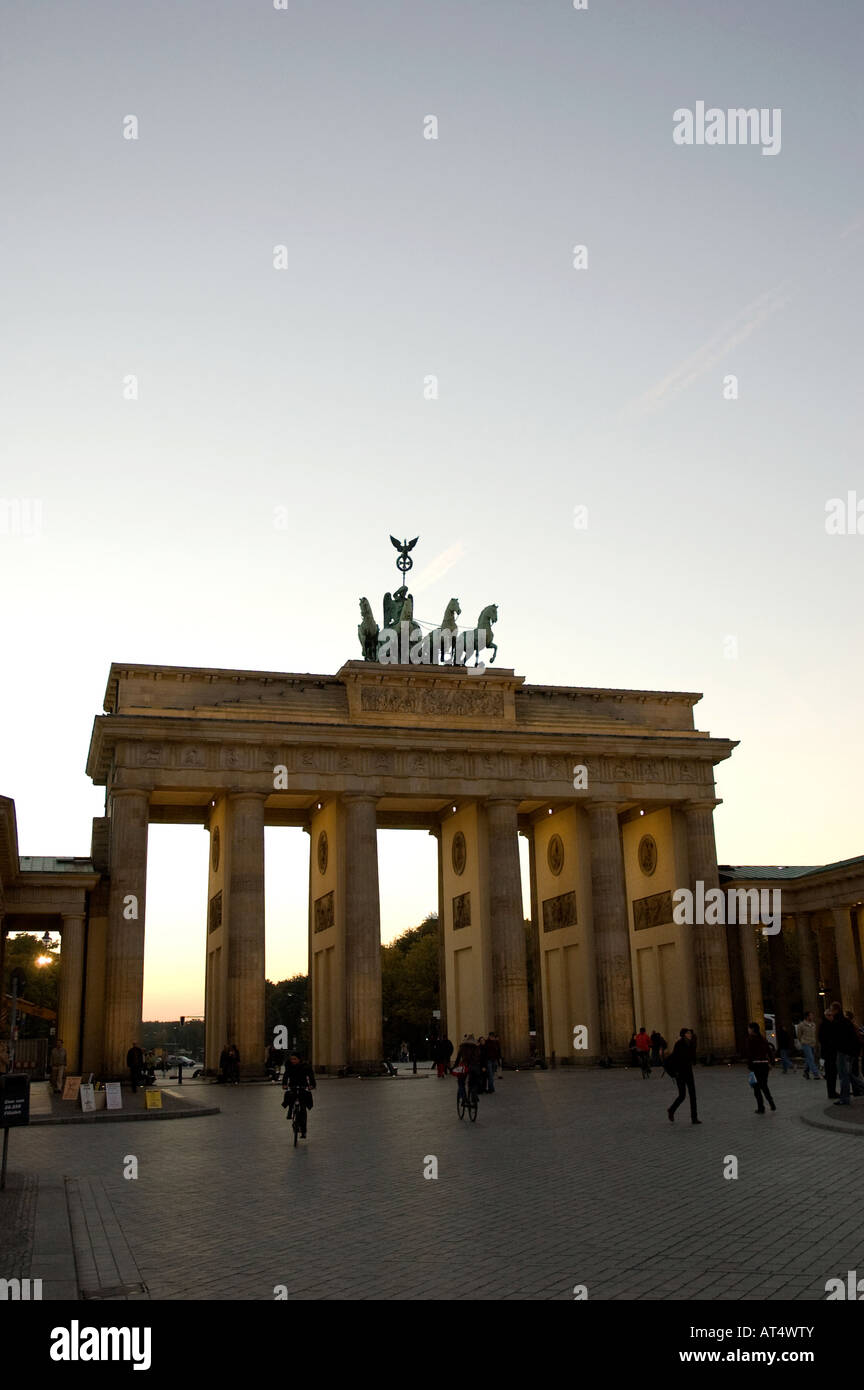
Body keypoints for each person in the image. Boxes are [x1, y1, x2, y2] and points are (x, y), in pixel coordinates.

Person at [666, 1028, 700, 1124]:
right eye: (688, 1033)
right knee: (682, 1095)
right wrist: (676, 1072)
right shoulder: (679, 1044)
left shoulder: (691, 1044)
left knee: (693, 1095)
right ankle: (671, 1110)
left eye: (690, 1033)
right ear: (683, 1034)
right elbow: (676, 1059)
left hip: (689, 1072)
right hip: (680, 1073)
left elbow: (693, 1059)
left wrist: (694, 1044)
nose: (690, 1034)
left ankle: (694, 1118)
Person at [281, 1052, 316, 1138]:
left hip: (302, 1086)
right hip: (293, 1086)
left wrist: (312, 1085)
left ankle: (303, 1131)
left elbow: (311, 1076)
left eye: (294, 1059)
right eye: (291, 1059)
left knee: (303, 1109)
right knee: (289, 1096)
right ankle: (290, 1110)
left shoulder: (305, 1067)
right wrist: (284, 1084)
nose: (293, 1061)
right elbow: (286, 1075)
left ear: (299, 1059)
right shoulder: (289, 1066)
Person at [834, 1008, 864, 1106]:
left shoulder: (846, 1024)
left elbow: (849, 1039)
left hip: (847, 1053)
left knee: (845, 1075)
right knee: (849, 1074)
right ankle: (849, 1094)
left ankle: (845, 1098)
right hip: (851, 1053)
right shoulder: (850, 1025)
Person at [745, 1022, 776, 1114]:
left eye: (749, 1028)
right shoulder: (763, 1039)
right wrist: (772, 1062)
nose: (748, 1030)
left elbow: (749, 1053)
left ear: (752, 1029)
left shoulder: (750, 1039)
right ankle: (771, 1103)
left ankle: (761, 1108)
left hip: (756, 1065)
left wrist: (749, 1065)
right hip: (764, 1065)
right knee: (764, 1085)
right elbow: (769, 1051)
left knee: (756, 1088)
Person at [453, 1033, 483, 1106]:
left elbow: (457, 1059)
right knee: (473, 1082)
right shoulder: (476, 1048)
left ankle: (464, 1099)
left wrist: (454, 1067)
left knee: (461, 1083)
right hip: (474, 1067)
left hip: (464, 1067)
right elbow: (480, 1058)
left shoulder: (462, 1047)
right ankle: (474, 1095)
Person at [819, 1005, 840, 1099]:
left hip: (830, 1053)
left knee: (832, 1074)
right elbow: (823, 1040)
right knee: (831, 1073)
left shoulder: (829, 1024)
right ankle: (831, 1093)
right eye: (830, 1015)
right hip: (829, 1054)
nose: (832, 1017)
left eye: (832, 1015)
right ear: (827, 1016)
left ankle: (832, 1092)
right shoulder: (825, 1025)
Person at [797, 1011, 821, 1081]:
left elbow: (814, 1034)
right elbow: (799, 1035)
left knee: (809, 1059)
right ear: (807, 1017)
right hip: (806, 1043)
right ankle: (816, 1074)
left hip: (812, 1043)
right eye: (811, 1015)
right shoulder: (801, 1025)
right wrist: (802, 1041)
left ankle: (805, 1072)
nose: (812, 1017)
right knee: (811, 1058)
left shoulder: (813, 1024)